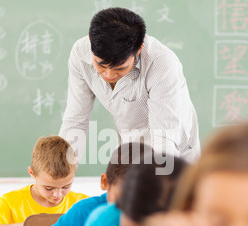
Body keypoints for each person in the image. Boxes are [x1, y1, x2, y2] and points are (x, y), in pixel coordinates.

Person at [59, 7, 200, 164]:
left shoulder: (162, 64)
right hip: (131, 151)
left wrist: (161, 181)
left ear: (139, 49)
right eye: (100, 65)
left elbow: (164, 139)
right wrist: (61, 173)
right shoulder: (80, 54)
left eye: (120, 68)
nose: (109, 75)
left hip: (175, 153)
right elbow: (76, 120)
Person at [24, 142, 154, 226]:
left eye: (144, 198)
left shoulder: (159, 215)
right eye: (122, 200)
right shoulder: (85, 211)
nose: (131, 207)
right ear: (105, 182)